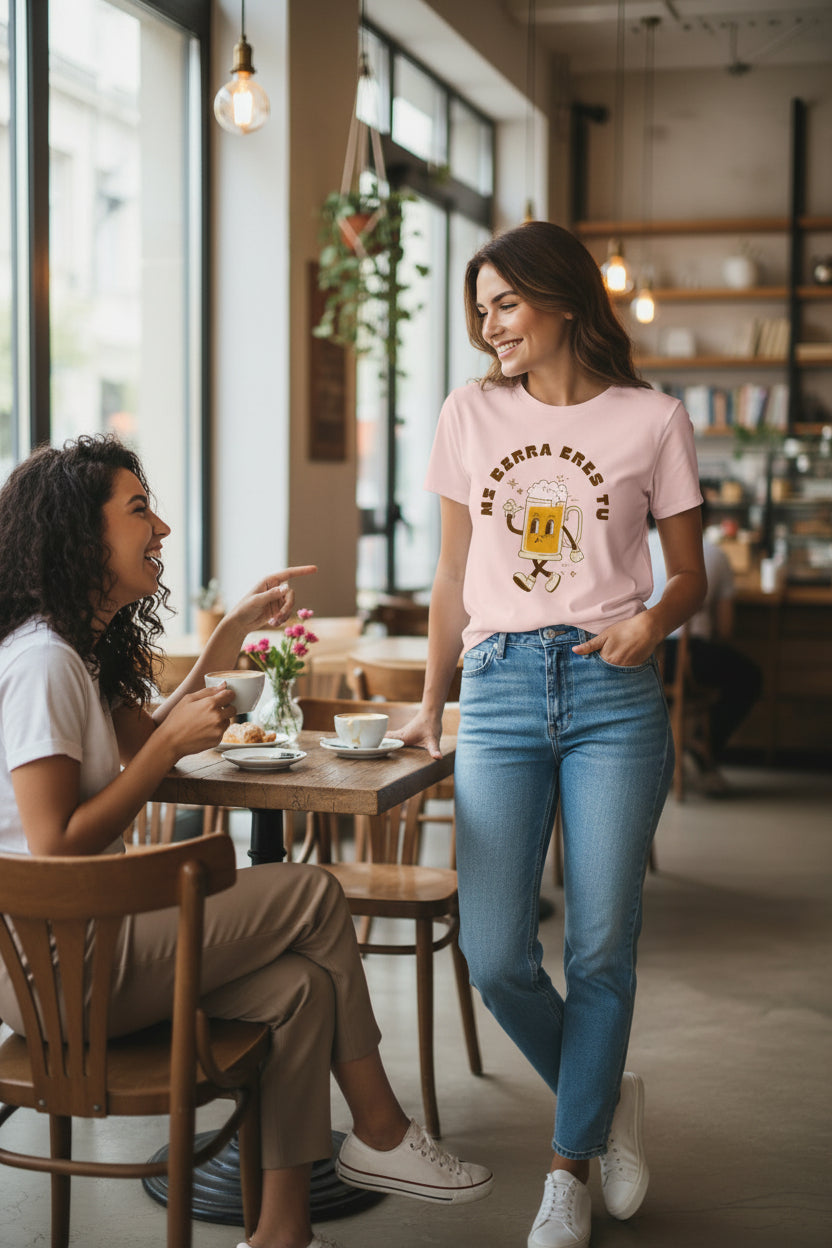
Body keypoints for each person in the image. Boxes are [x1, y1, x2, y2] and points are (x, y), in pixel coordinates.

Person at [0, 435, 493, 1248]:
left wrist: (225, 636)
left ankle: (281, 1233)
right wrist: (164, 749)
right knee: (313, 891)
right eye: (137, 510)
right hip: (60, 972)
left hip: (89, 951)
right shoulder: (44, 665)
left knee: (301, 988)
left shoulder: (77, 655)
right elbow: (57, 846)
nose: (160, 526)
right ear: (81, 538)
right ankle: (379, 1130)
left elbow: (148, 736)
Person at [395, 222, 707, 1248]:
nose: (488, 328)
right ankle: (606, 1098)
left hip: (611, 693)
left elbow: (688, 575)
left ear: (562, 301)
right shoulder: (467, 414)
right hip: (496, 690)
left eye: (504, 305)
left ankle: (567, 1168)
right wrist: (432, 701)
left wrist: (649, 622)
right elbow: (448, 578)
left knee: (600, 944)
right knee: (493, 953)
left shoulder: (652, 419)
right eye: (479, 309)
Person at [647, 505, 762, 790]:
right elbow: (725, 629)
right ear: (705, 519)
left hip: (639, 656)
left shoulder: (636, 549)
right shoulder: (714, 553)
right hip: (690, 660)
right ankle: (701, 746)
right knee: (749, 677)